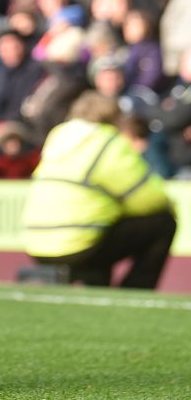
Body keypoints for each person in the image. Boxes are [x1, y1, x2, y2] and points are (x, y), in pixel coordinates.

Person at [21, 92, 176, 289]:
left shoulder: (58, 135)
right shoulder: (107, 141)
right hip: (78, 243)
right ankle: (134, 293)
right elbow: (147, 197)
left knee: (104, 225)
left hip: (36, 242)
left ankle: (94, 282)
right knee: (163, 222)